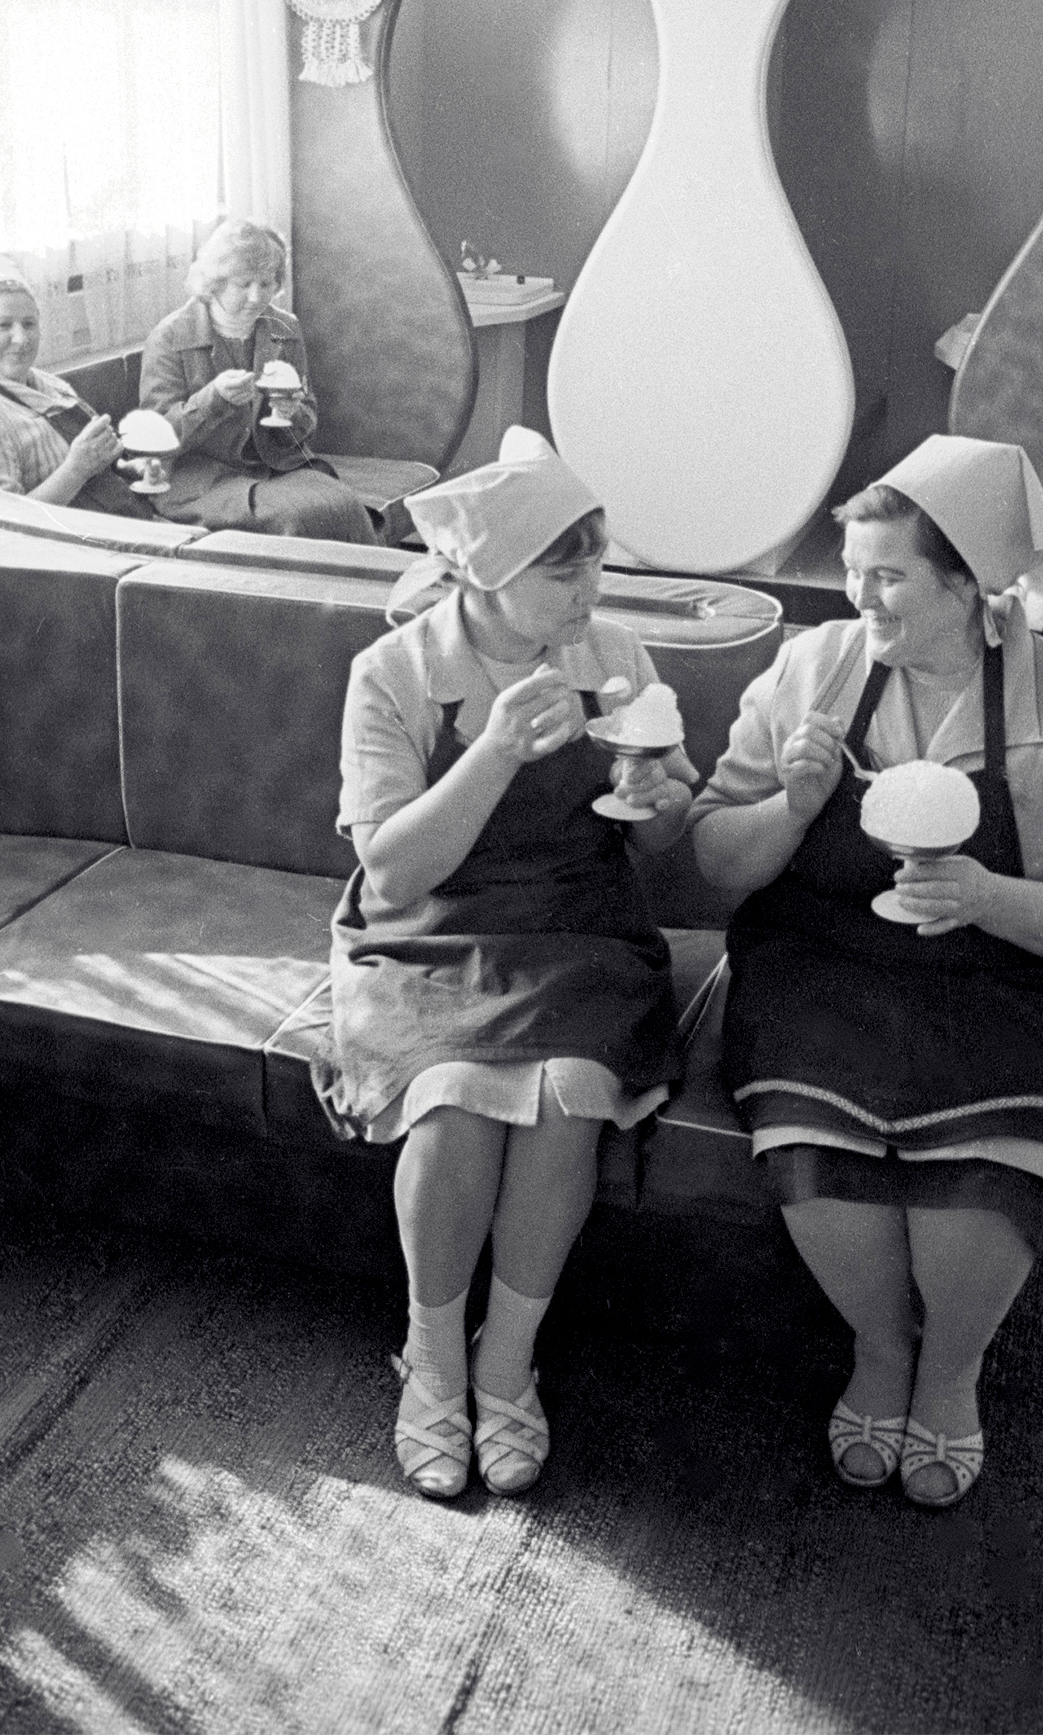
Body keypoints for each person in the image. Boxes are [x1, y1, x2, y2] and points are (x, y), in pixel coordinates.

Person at [691, 435, 1043, 1508]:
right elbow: (717, 861)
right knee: (823, 1169)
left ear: (969, 584)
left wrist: (993, 899)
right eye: (851, 569)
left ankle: (951, 1370)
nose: (858, 595)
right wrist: (792, 805)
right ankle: (877, 1350)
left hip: (1015, 975)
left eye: (888, 575)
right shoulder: (813, 670)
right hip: (823, 962)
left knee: (980, 1193)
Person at [312, 428, 697, 1500]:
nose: (591, 586)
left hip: (579, 926)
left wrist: (668, 803)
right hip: (429, 931)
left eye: (595, 558)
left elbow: (664, 832)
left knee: (567, 1095)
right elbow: (393, 870)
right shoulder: (392, 673)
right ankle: (430, 1354)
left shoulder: (613, 655)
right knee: (454, 1099)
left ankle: (505, 1360)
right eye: (562, 566)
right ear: (481, 574)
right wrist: (491, 752)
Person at [138, 217, 377, 543]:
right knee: (295, 517)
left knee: (344, 506)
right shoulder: (170, 337)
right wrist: (213, 399)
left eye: (266, 284)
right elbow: (154, 440)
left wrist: (292, 413)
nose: (256, 297)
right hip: (201, 479)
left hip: (276, 468)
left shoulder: (285, 329)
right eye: (244, 284)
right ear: (215, 282)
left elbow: (306, 425)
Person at [0, 255, 151, 517]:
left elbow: (79, 462)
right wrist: (77, 469)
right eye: (3, 325)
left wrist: (124, 468)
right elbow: (8, 524)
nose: (21, 338)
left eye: (29, 324)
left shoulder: (44, 382)